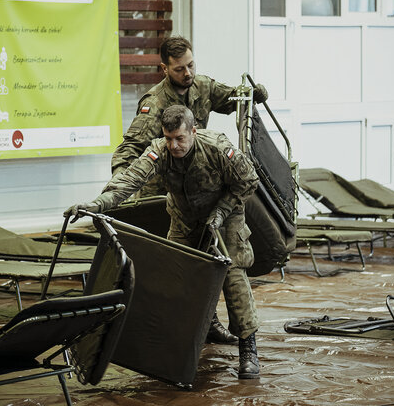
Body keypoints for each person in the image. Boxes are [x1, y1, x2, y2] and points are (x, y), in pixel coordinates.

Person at [66, 105, 262, 379]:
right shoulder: (159, 151)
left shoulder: (217, 148)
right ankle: (194, 333)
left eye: (180, 138)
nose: (173, 145)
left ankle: (247, 346)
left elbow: (249, 182)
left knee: (233, 276)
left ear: (193, 131)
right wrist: (96, 204)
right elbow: (129, 182)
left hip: (225, 216)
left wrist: (222, 210)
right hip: (184, 218)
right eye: (168, 138)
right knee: (175, 277)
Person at [110, 35, 268, 197]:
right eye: (179, 69)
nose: (187, 73)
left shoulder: (203, 86)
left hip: (195, 184)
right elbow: (131, 147)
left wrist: (253, 95)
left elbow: (233, 98)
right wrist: (119, 182)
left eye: (191, 65)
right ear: (165, 69)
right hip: (161, 192)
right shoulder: (155, 103)